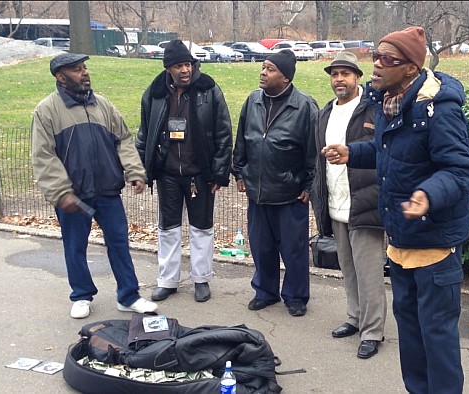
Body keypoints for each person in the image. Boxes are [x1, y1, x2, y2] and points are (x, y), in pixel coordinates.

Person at [323, 27, 469, 394]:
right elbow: (389, 152)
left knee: (436, 337)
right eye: (375, 56)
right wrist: (352, 152)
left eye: (387, 59)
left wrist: (427, 194)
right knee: (410, 332)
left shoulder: (439, 110)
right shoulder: (386, 101)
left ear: (410, 68)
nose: (376, 65)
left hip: (435, 244)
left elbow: (460, 170)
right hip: (401, 239)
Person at [31, 53, 158, 319]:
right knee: (75, 246)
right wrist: (61, 192)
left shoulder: (103, 105)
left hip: (107, 190)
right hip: (73, 196)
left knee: (119, 242)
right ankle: (81, 295)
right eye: (77, 69)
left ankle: (129, 296)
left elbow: (123, 139)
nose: (85, 73)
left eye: (85, 68)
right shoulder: (47, 110)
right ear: (60, 76)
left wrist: (134, 171)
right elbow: (43, 156)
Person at [136, 40, 233, 303]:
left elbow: (224, 133)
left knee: (202, 228)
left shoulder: (208, 89)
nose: (185, 70)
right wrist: (142, 171)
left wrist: (219, 173)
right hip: (167, 173)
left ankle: (201, 279)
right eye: (178, 66)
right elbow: (145, 133)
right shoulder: (154, 93)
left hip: (199, 173)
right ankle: (167, 281)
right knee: (168, 229)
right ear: (168, 68)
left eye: (188, 64)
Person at [232, 49, 318, 317]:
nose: (263, 73)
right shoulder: (252, 101)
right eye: (263, 67)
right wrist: (239, 171)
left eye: (270, 69)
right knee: (261, 246)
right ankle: (265, 291)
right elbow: (242, 139)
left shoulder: (304, 106)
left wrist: (308, 185)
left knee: (293, 250)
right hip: (257, 191)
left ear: (285, 78)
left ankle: (295, 295)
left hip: (290, 191)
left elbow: (314, 151)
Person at [311, 52, 386, 359]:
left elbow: (381, 152)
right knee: (348, 268)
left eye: (345, 73)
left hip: (365, 202)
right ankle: (354, 318)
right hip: (335, 201)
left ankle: (373, 331)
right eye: (334, 74)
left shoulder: (371, 110)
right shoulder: (326, 112)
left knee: (369, 273)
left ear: (357, 77)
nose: (339, 79)